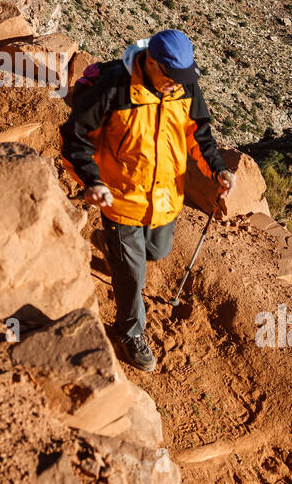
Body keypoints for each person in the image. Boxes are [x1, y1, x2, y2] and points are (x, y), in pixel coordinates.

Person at [61, 29, 235, 371]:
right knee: (132, 276)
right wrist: (92, 181)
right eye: (171, 76)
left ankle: (108, 245)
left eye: (182, 78)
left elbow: (198, 134)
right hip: (121, 199)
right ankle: (129, 332)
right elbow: (75, 139)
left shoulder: (184, 87)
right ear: (151, 62)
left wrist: (218, 171)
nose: (176, 84)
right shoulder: (113, 89)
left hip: (166, 198)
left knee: (157, 250)